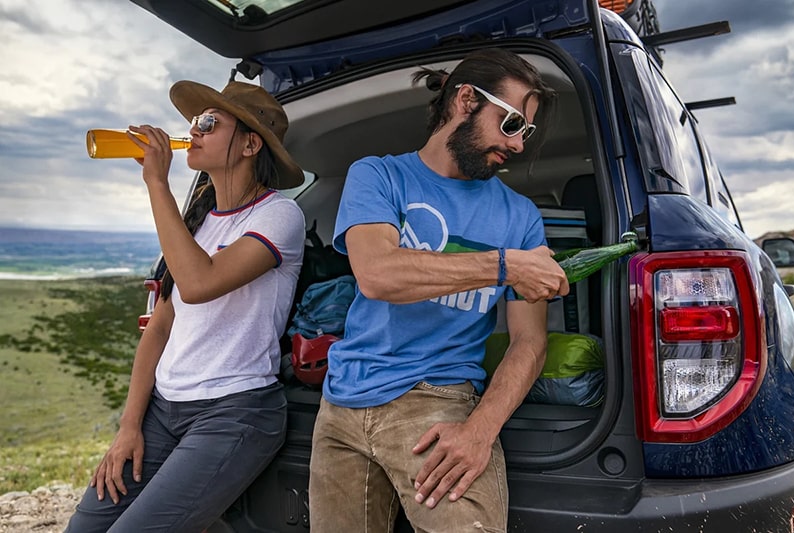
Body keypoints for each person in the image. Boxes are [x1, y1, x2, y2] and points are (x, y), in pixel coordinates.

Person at [308, 48, 570, 532]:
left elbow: (530, 343)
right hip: (341, 407)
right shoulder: (378, 175)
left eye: (526, 133)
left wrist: (479, 431)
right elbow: (378, 274)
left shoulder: (520, 217)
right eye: (511, 124)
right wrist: (504, 267)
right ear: (465, 100)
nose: (517, 146)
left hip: (438, 405)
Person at [66, 79, 306, 532]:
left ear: (250, 144)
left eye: (210, 123)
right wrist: (129, 426)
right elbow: (160, 327)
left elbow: (199, 283)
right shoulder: (202, 222)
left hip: (236, 413)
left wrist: (156, 181)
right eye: (195, 122)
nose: (194, 131)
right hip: (164, 410)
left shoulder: (279, 216)